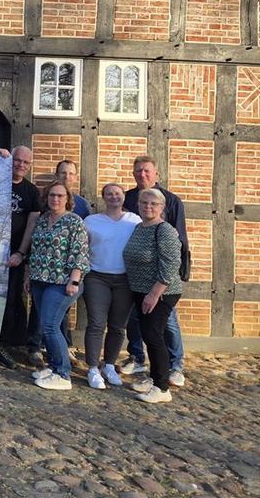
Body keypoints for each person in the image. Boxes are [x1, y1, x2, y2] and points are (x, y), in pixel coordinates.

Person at [121, 156, 187, 387]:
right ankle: (138, 358)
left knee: (164, 326)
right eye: (138, 171)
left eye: (147, 171)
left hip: (161, 285)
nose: (142, 175)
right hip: (137, 283)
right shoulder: (128, 199)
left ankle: (175, 366)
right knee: (140, 324)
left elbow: (178, 242)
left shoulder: (171, 201)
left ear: (156, 173)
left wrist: (159, 288)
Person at [0, 146, 41, 369]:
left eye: (26, 162)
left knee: (8, 303)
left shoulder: (31, 192)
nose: (20, 165)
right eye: (17, 160)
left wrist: (21, 253)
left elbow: (31, 225)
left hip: (12, 257)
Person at [25, 181, 90, 390]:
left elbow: (79, 253)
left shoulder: (74, 221)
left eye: (60, 196)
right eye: (52, 195)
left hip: (62, 282)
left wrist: (74, 279)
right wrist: (28, 276)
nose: (56, 199)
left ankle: (63, 374)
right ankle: (53, 367)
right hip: (39, 279)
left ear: (67, 199)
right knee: (47, 325)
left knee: (51, 325)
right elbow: (34, 250)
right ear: (47, 198)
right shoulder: (43, 221)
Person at [82, 183, 141, 389]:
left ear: (124, 197)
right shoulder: (91, 221)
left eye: (118, 193)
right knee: (97, 323)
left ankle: (108, 364)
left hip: (124, 279)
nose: (114, 197)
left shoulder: (134, 221)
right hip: (97, 277)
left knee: (117, 326)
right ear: (103, 198)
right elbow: (82, 248)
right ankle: (92, 368)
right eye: (109, 194)